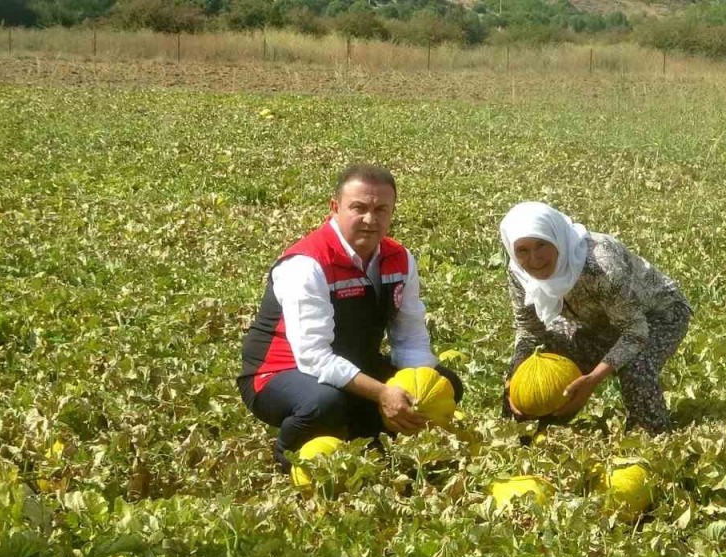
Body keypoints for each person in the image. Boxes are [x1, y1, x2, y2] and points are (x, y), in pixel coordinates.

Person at [237, 164, 462, 470]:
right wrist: (383, 392)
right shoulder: (306, 264)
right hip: (279, 373)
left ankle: (373, 438)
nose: (371, 219)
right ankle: (287, 459)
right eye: (359, 208)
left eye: (381, 209)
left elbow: (409, 335)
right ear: (335, 208)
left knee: (446, 385)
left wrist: (418, 388)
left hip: (352, 363)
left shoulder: (399, 258)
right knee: (324, 404)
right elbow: (314, 357)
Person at [500, 201, 690, 434]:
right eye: (523, 250)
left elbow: (635, 331)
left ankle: (652, 440)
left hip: (657, 316)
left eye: (542, 244)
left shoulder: (600, 264)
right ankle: (532, 436)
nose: (535, 258)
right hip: (593, 321)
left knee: (635, 367)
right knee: (540, 368)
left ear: (557, 237)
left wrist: (592, 380)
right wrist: (514, 380)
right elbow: (528, 329)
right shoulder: (519, 272)